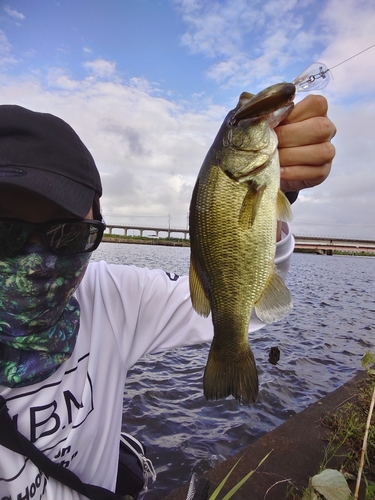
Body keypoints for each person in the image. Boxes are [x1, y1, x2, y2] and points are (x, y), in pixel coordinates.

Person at [0, 94, 336, 499]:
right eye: (5, 233)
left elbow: (239, 304)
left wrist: (275, 200)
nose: (37, 264)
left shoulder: (110, 298)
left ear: (95, 224)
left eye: (68, 235)